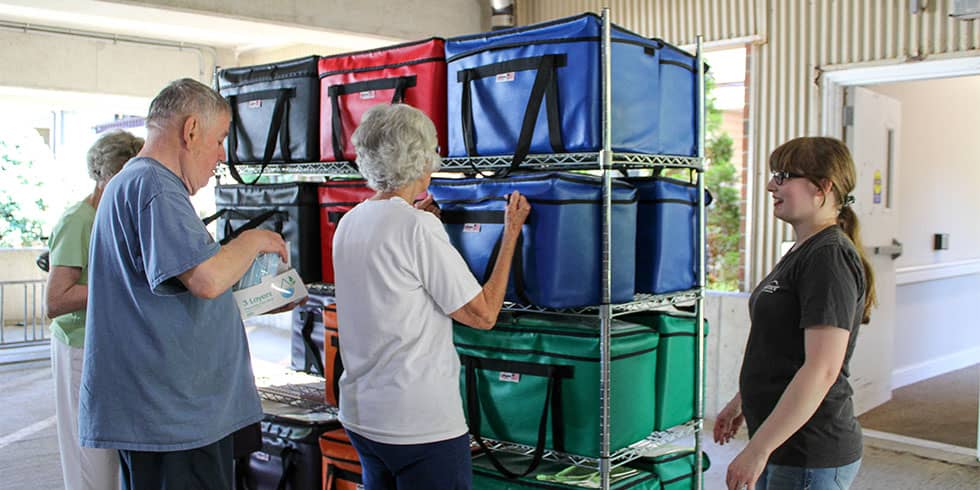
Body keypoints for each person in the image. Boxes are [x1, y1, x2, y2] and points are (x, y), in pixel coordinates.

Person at [78, 78, 291, 489]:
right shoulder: (155, 186)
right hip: (171, 419)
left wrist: (265, 295)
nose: (219, 156)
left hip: (172, 415)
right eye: (219, 140)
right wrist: (251, 240)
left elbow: (185, 285)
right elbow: (207, 279)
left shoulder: (140, 185)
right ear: (191, 130)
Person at [332, 103, 531, 490]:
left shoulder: (350, 222)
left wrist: (422, 223)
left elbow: (394, 287)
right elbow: (484, 314)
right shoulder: (416, 227)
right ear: (421, 158)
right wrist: (511, 235)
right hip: (418, 426)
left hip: (362, 417)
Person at [715, 137, 876, 490]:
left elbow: (822, 369)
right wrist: (740, 400)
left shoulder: (829, 257)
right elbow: (781, 348)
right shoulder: (805, 249)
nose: (772, 185)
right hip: (782, 443)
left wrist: (757, 450)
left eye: (784, 175)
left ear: (823, 187)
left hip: (808, 450)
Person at [46, 130, 143, 490]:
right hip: (80, 346)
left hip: (115, 345)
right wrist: (120, 286)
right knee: (91, 460)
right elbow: (57, 301)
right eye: (122, 176)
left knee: (115, 457)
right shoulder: (79, 220)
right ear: (103, 175)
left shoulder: (123, 215)